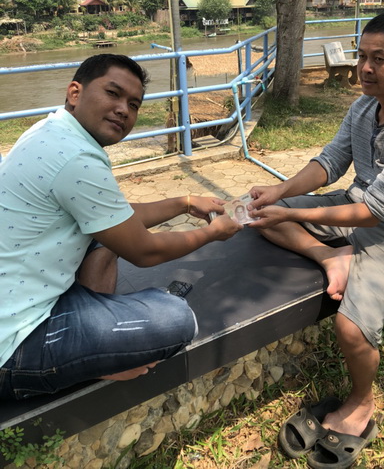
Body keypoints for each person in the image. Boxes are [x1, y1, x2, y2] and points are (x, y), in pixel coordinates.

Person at [247, 12, 384, 468]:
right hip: (356, 205)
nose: (365, 68)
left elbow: (374, 212)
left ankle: (361, 403)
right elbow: (331, 161)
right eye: (361, 57)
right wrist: (279, 193)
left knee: (351, 328)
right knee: (259, 215)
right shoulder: (363, 106)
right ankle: (330, 258)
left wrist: (293, 211)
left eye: (379, 59)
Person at [0, 53, 241, 401]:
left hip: (29, 296)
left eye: (133, 104)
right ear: (75, 92)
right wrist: (213, 233)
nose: (123, 110)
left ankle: (100, 342)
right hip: (13, 345)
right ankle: (96, 360)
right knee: (175, 319)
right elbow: (144, 251)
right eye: (112, 93)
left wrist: (186, 202)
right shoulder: (75, 157)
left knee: (107, 236)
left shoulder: (51, 131)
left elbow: (116, 218)